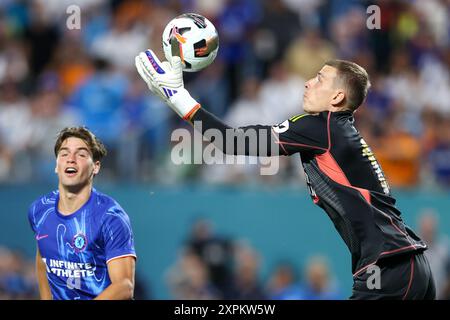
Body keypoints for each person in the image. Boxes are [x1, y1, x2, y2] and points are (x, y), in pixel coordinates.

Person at [134, 49, 435, 300]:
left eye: (320, 79)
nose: (307, 83)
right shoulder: (337, 132)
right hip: (411, 266)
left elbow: (233, 140)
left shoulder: (322, 126)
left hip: (388, 268)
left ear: (337, 97)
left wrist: (177, 97)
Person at [27, 127, 136, 300]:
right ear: (56, 165)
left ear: (96, 167)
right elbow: (43, 259)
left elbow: (124, 286)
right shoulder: (39, 210)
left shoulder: (110, 217)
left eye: (81, 154)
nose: (71, 159)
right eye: (64, 154)